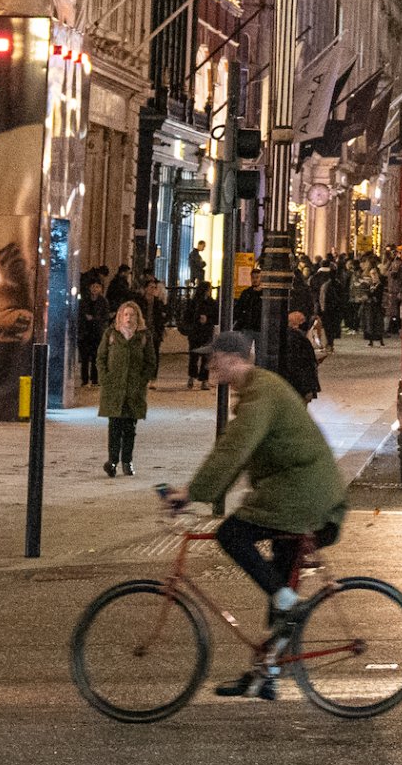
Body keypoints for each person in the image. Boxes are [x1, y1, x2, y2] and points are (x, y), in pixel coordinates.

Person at [176, 332, 348, 700]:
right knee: (280, 585)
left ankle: (285, 610)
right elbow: (240, 453)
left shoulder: (261, 392)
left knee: (232, 535)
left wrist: (191, 493)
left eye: (214, 358)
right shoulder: (257, 390)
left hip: (303, 495)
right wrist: (207, 491)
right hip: (302, 494)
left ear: (233, 359)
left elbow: (235, 447)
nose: (210, 365)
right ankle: (265, 675)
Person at [97, 300, 156, 476]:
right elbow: (101, 358)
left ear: (138, 318)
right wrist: (105, 378)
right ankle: (112, 461)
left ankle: (127, 461)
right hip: (114, 388)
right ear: (120, 317)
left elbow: (150, 362)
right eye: (126, 314)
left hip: (133, 389)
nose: (129, 318)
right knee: (114, 425)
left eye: (132, 315)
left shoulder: (144, 337)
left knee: (130, 427)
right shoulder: (111, 335)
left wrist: (142, 380)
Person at [182, 278, 218, 387]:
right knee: (194, 356)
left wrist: (208, 319)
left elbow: (216, 317)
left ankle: (204, 379)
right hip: (195, 332)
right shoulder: (194, 303)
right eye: (208, 289)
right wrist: (198, 319)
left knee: (206, 356)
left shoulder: (212, 303)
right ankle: (192, 376)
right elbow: (188, 316)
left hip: (206, 332)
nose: (209, 292)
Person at [280, 308, 321, 403]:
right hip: (300, 385)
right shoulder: (299, 339)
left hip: (294, 384)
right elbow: (305, 363)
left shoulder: (287, 337)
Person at [77, 271, 110, 389]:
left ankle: (95, 379)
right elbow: (80, 315)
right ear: (89, 288)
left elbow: (105, 317)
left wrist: (94, 319)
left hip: (97, 333)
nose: (95, 289)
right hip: (85, 333)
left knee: (96, 357)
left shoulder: (103, 302)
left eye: (97, 287)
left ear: (101, 288)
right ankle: (85, 380)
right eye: (93, 287)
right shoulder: (84, 301)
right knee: (85, 358)